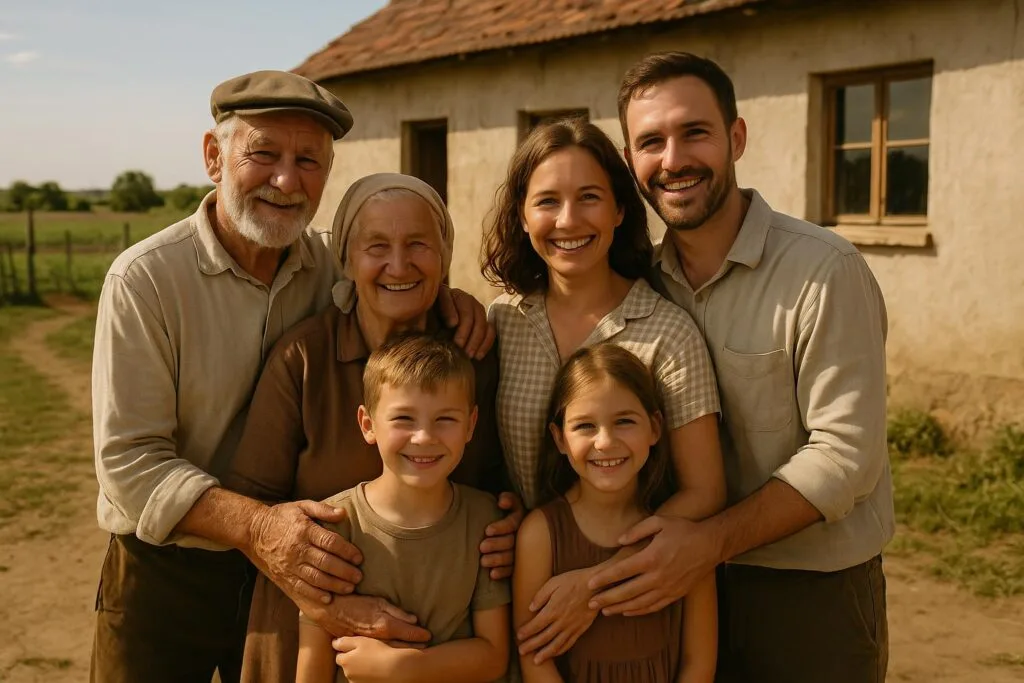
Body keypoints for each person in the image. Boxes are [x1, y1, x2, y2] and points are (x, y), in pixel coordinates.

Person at [90, 71, 492, 683]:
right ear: (213, 157)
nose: (285, 180)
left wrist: (448, 300)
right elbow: (129, 462)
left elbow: (396, 265)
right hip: (169, 568)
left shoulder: (330, 260)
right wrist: (258, 527)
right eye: (264, 155)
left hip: (298, 569)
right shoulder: (145, 280)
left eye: (308, 160)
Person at [580, 52, 893, 682]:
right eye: (651, 142)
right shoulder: (639, 285)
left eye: (694, 132)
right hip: (672, 587)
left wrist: (711, 543)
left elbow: (846, 454)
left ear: (737, 138)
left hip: (808, 596)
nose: (673, 160)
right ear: (631, 160)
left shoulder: (823, 271)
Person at [222, 173, 516, 683]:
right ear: (346, 260)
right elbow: (253, 507)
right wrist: (329, 605)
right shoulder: (304, 358)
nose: (398, 265)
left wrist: (513, 529)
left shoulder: (474, 353)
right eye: (376, 246)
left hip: (446, 645)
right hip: (310, 639)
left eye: (418, 245)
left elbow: (496, 483)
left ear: (443, 257)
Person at [480, 118, 724, 664]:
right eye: (547, 201)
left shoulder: (668, 332)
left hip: (640, 600)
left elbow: (705, 492)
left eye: (589, 197)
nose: (568, 220)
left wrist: (594, 583)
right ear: (522, 215)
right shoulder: (501, 322)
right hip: (520, 597)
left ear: (619, 210)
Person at [296, 333, 511, 683]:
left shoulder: (486, 522)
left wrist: (404, 667)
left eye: (445, 419)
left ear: (471, 425)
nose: (424, 437)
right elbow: (312, 666)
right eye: (404, 419)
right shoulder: (333, 524)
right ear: (368, 425)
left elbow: (493, 657)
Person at [514, 343, 716, 683]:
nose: (605, 442)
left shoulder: (683, 535)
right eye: (585, 426)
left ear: (655, 428)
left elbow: (698, 663)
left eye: (624, 421)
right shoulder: (539, 534)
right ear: (559, 438)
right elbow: (534, 657)